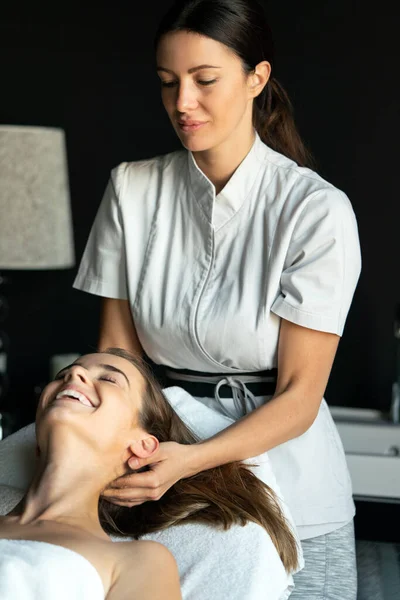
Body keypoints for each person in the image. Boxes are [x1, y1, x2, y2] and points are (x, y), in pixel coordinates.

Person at [73, 0, 362, 597]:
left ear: (257, 79)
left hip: (292, 484)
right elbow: (117, 358)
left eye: (205, 81)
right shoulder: (131, 189)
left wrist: (186, 460)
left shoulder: (315, 210)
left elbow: (299, 398)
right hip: (163, 476)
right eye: (167, 82)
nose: (183, 103)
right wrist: (156, 461)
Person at [0, 349, 299, 600]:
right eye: (63, 376)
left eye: (107, 379)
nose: (73, 376)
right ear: (37, 440)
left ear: (143, 446)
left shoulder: (139, 563)